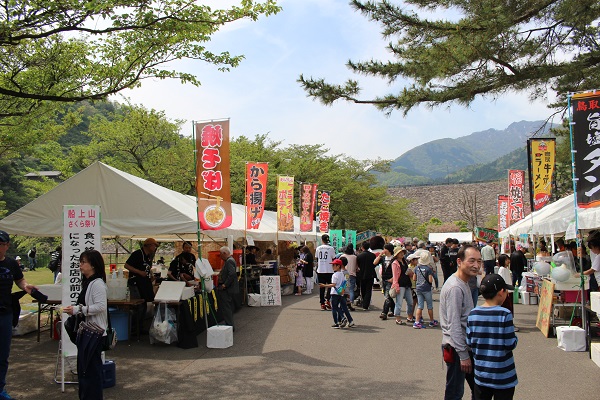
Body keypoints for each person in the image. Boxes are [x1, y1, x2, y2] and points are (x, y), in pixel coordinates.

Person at [63, 250, 108, 400]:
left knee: (91, 372)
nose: (80, 265)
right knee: (85, 371)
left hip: (94, 334)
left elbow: (101, 306)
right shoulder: (89, 282)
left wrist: (78, 309)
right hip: (88, 333)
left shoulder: (97, 284)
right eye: (80, 262)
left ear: (93, 265)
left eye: (83, 262)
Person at [467, 274, 518, 400]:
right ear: (501, 292)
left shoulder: (473, 314)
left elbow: (469, 341)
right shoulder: (504, 314)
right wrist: (516, 339)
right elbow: (510, 343)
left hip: (481, 374)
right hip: (503, 375)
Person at [440, 244, 481, 400]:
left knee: (478, 389)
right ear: (459, 261)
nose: (476, 265)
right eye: (471, 261)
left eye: (479, 261)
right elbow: (454, 324)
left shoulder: (464, 282)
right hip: (457, 348)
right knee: (455, 393)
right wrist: (463, 355)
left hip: (464, 346)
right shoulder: (455, 287)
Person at [0, 230, 36, 400]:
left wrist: (25, 286)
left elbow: (19, 279)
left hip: (6, 313)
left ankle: (0, 388)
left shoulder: (11, 264)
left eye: (1, 244)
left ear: (7, 246)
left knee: (3, 354)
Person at [320, 259, 354, 328]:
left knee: (334, 308)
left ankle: (338, 321)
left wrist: (324, 285)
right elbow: (346, 283)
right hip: (341, 292)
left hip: (335, 293)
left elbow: (333, 284)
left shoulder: (335, 275)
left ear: (338, 266)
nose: (332, 266)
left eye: (333, 265)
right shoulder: (344, 273)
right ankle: (347, 320)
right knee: (343, 307)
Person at [124, 238, 159, 302]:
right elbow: (126, 265)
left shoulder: (148, 256)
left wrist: (151, 276)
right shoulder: (137, 254)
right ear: (149, 245)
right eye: (154, 246)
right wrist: (139, 272)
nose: (155, 248)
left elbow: (148, 267)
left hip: (145, 283)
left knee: (149, 300)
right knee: (139, 302)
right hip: (136, 283)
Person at [412, 251, 438, 329]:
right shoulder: (428, 269)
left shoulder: (417, 268)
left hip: (419, 288)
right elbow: (430, 280)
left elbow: (414, 278)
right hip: (426, 288)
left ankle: (417, 322)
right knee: (429, 306)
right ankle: (431, 321)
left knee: (420, 306)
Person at [391, 246, 414, 325]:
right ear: (396, 254)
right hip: (400, 284)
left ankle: (409, 316)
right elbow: (395, 276)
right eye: (400, 253)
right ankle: (398, 318)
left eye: (402, 252)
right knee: (399, 302)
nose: (402, 254)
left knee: (410, 302)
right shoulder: (395, 263)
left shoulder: (404, 261)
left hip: (407, 283)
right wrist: (396, 286)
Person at [217, 246, 238, 330]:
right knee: (227, 308)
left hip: (227, 289)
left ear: (224, 253)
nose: (220, 256)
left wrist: (225, 284)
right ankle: (229, 325)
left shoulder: (229, 261)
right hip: (229, 288)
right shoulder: (230, 260)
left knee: (226, 308)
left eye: (220, 254)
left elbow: (232, 274)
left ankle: (230, 326)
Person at [497, 254, 519, 332]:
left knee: (509, 308)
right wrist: (505, 291)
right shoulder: (502, 269)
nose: (508, 261)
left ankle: (509, 323)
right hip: (506, 292)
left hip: (509, 291)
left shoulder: (506, 269)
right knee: (507, 308)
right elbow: (502, 281)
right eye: (506, 260)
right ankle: (508, 324)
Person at [375, 243, 395, 320]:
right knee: (388, 296)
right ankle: (394, 310)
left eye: (385, 249)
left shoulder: (394, 259)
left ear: (388, 250)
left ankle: (384, 312)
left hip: (391, 279)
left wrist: (394, 278)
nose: (383, 250)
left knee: (387, 296)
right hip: (384, 279)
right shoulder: (383, 258)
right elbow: (375, 263)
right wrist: (380, 255)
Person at [315, 234, 336, 311]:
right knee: (330, 286)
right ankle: (328, 300)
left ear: (322, 240)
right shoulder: (331, 248)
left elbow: (317, 258)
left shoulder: (318, 248)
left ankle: (322, 303)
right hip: (329, 270)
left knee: (322, 287)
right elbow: (334, 258)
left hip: (320, 270)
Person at [356, 241, 376, 310]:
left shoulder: (359, 256)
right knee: (369, 290)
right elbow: (374, 264)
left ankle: (364, 302)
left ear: (362, 247)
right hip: (370, 274)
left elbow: (357, 265)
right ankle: (366, 305)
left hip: (361, 274)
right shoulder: (373, 255)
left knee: (363, 289)